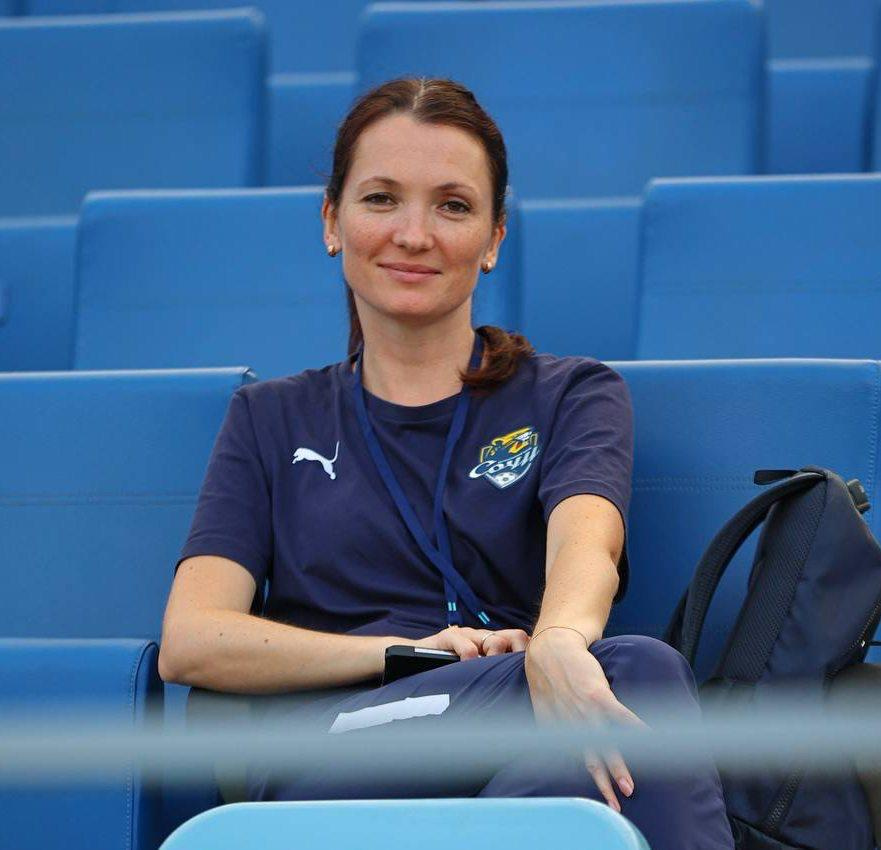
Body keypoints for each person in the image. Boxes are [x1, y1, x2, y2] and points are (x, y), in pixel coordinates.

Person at [159, 77, 734, 850]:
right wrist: (408, 655)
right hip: (333, 746)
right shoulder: (269, 418)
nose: (413, 234)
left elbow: (586, 544)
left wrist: (558, 640)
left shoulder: (571, 393)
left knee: (584, 750)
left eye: (452, 206)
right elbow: (192, 639)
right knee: (632, 678)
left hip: (518, 717)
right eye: (380, 199)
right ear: (331, 221)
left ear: (493, 239)